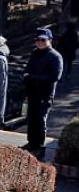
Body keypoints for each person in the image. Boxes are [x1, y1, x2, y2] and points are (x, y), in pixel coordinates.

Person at [22, 27, 63, 158]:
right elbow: (27, 70)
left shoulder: (55, 57)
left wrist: (33, 78)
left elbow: (54, 76)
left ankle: (39, 146)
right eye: (37, 40)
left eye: (43, 40)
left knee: (40, 120)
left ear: (50, 40)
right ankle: (31, 143)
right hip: (32, 93)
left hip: (44, 95)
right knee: (31, 118)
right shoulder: (34, 53)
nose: (39, 42)